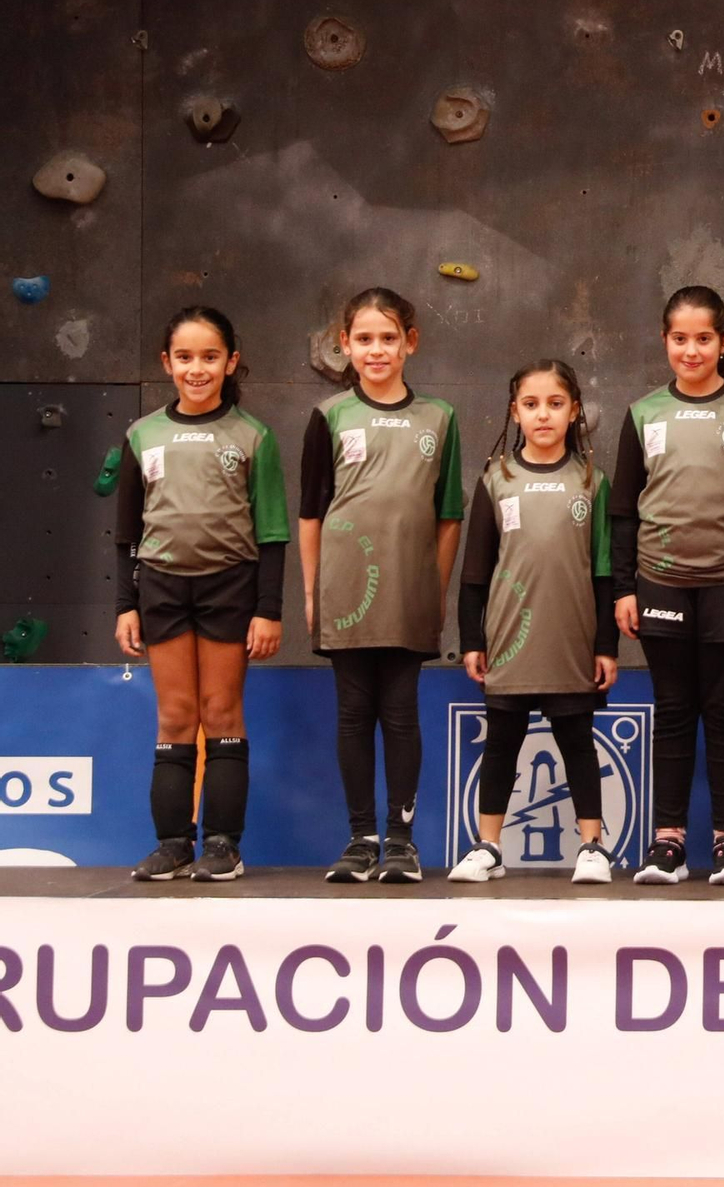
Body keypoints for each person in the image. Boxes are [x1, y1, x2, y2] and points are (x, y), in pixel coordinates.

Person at [611, 285, 724, 886]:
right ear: (665, 341)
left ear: (723, 340)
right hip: (660, 584)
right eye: (679, 339)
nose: (691, 350)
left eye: (703, 338)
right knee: (675, 712)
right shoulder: (643, 413)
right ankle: (668, 842)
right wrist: (624, 589)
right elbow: (623, 511)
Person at [116, 306, 288, 881]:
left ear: (230, 362)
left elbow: (271, 533)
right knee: (175, 715)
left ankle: (222, 845)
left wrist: (268, 610)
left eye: (210, 357)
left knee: (220, 712)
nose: (197, 368)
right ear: (167, 363)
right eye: (185, 357)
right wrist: (125, 604)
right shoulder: (142, 434)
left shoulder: (252, 435)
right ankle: (172, 844)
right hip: (162, 588)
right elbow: (126, 533)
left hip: (229, 587)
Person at [300, 287, 464, 884]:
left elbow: (449, 515)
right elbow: (312, 512)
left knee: (400, 712)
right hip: (345, 591)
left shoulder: (439, 418)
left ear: (410, 343)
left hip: (408, 593)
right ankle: (360, 838)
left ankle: (401, 840)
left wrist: (435, 589)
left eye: (388, 338)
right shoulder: (329, 416)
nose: (376, 350)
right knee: (352, 712)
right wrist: (315, 592)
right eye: (364, 339)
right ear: (344, 345)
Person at [450, 360, 620, 885]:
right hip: (509, 642)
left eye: (554, 403)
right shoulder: (496, 481)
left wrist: (606, 646)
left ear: (574, 412)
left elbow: (605, 573)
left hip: (570, 643)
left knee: (576, 741)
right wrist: (472, 639)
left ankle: (592, 846)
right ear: (514, 412)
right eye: (530, 404)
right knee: (502, 743)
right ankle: (488, 846)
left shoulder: (592, 482)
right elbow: (475, 572)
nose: (542, 414)